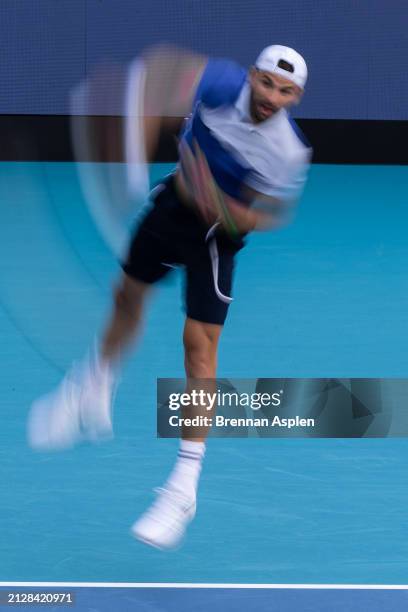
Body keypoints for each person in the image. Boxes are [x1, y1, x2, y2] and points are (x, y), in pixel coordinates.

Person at [27, 45, 312, 550]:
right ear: (252, 76)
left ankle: (184, 486)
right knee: (126, 295)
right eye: (267, 83)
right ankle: (95, 387)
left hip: (215, 239)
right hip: (171, 209)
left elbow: (269, 215)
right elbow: (159, 69)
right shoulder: (222, 85)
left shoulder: (287, 151)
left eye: (285, 91)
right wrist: (138, 157)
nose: (272, 97)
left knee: (198, 352)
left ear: (296, 97)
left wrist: (218, 205)